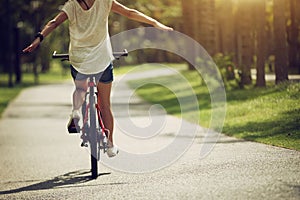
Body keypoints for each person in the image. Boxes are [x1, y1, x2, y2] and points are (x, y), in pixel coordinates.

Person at [23, 0, 173, 158]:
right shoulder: (105, 2)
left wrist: (38, 39)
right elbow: (130, 12)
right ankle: (110, 145)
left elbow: (53, 23)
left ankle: (75, 113)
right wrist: (155, 23)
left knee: (81, 89)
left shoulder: (72, 5)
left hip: (79, 58)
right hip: (101, 59)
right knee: (105, 105)